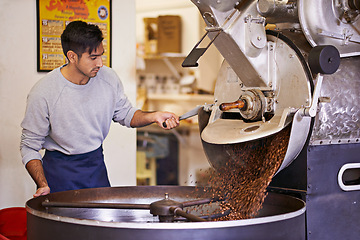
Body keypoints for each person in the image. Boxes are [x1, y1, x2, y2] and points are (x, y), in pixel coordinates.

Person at [20, 21, 179, 197]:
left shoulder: (108, 79)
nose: (100, 64)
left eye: (101, 55)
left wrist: (155, 116)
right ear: (72, 57)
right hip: (59, 174)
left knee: (101, 223)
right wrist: (42, 184)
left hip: (95, 167)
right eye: (93, 57)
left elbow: (126, 114)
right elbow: (29, 146)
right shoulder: (43, 92)